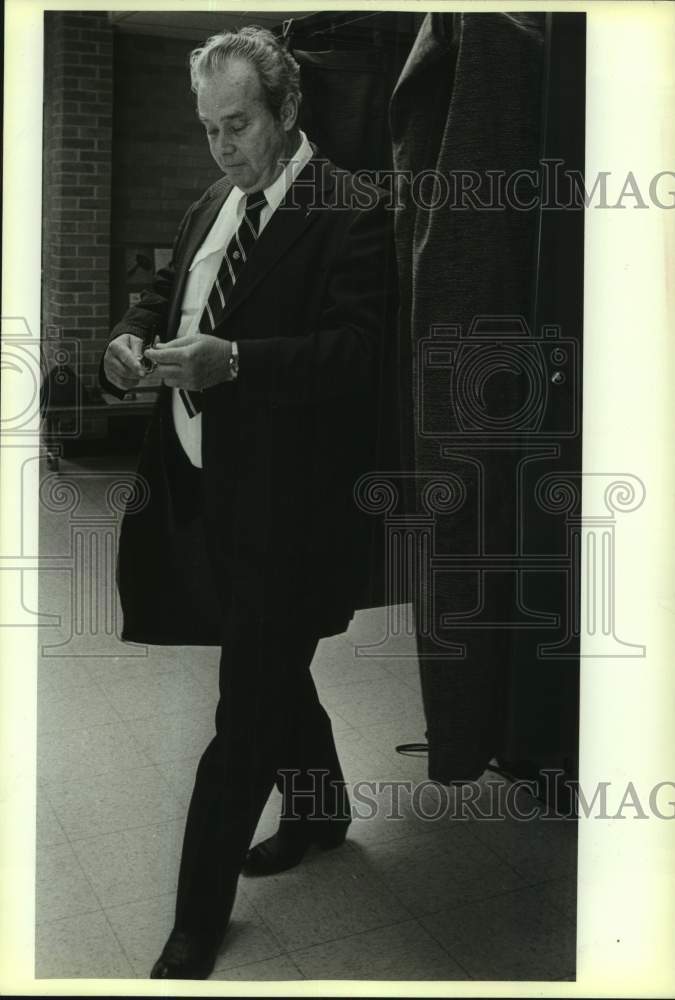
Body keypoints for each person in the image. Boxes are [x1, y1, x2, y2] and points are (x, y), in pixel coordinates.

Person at [100, 27, 394, 980]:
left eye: (239, 126)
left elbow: (360, 355)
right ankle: (321, 811)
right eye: (208, 129)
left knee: (242, 718)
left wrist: (237, 363)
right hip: (198, 493)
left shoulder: (352, 206)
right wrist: (129, 333)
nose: (222, 148)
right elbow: (164, 293)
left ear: (287, 111)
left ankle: (194, 923)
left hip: (290, 516)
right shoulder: (211, 202)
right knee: (270, 667)